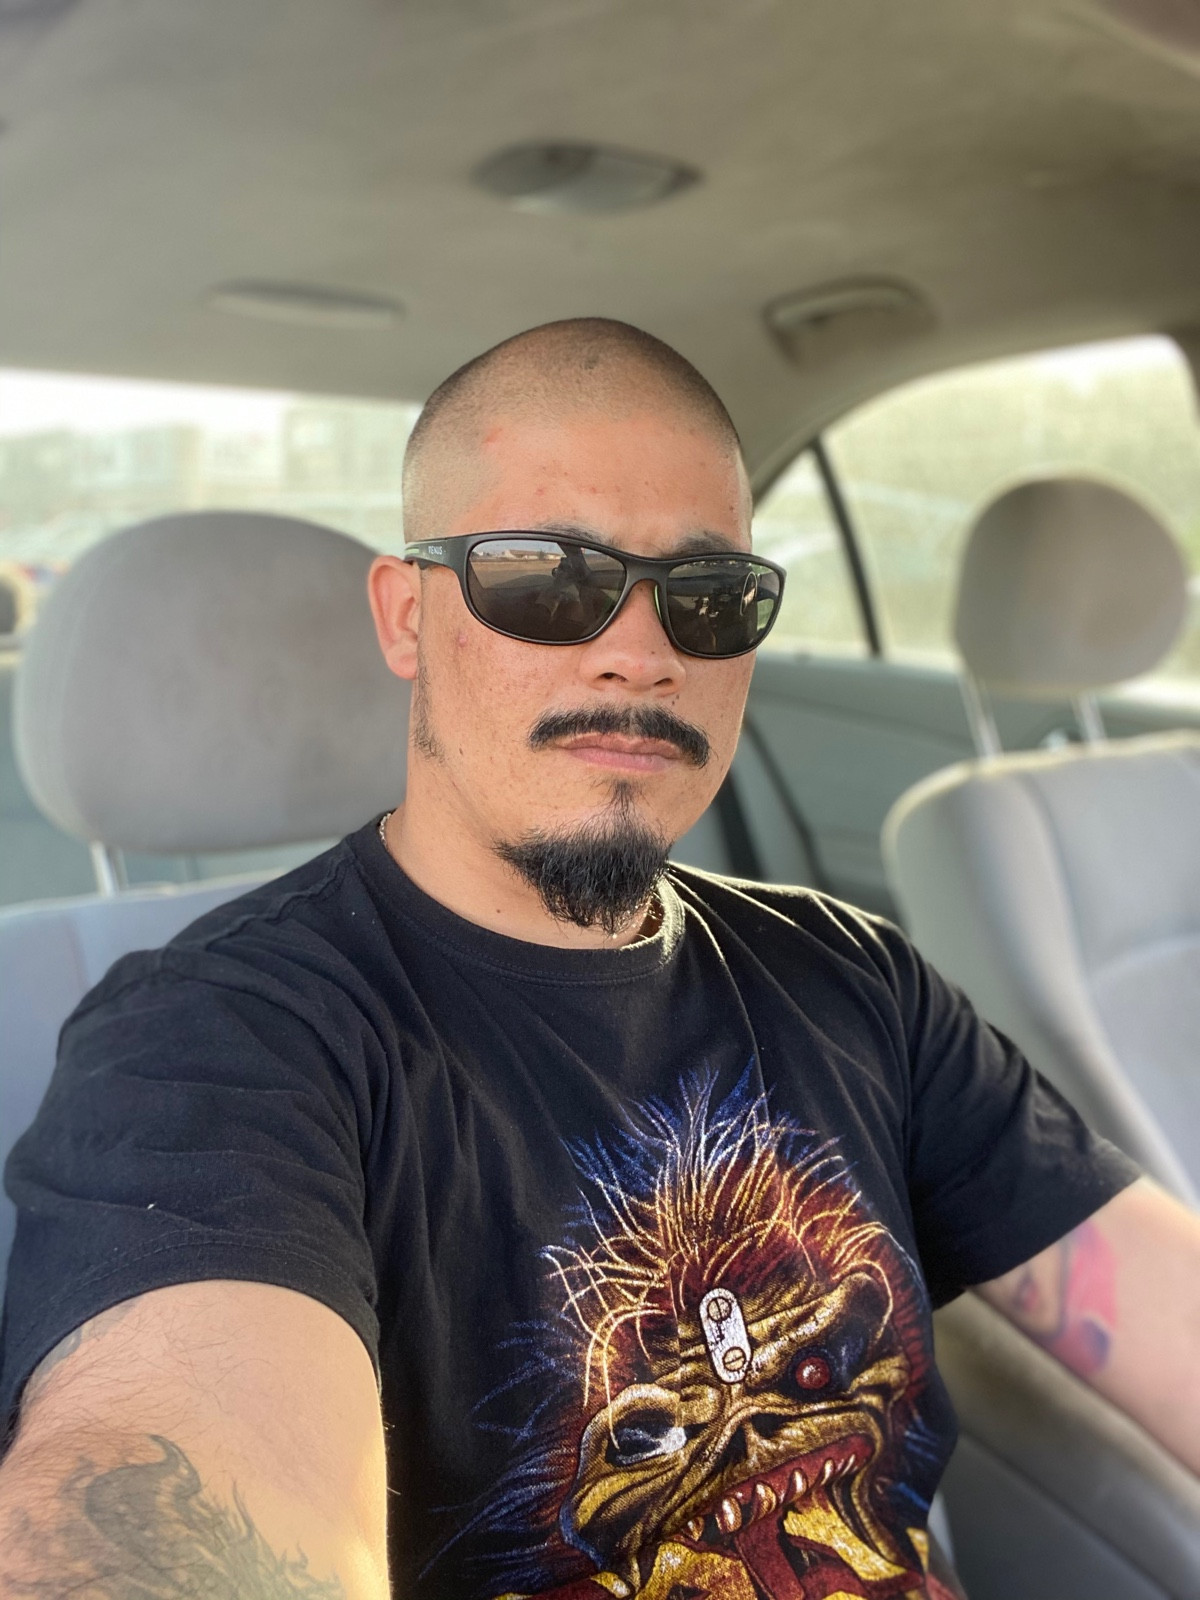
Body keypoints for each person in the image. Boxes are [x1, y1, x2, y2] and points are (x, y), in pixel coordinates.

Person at [0, 318, 1197, 1600]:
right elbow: (176, 1498)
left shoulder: (854, 979)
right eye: (546, 581)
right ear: (407, 617)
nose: (641, 651)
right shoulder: (211, 1053)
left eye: (708, 595)